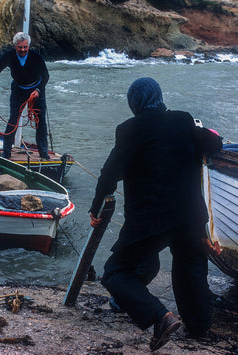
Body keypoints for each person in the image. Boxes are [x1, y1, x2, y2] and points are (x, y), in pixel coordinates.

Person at [89, 77, 222, 351]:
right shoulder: (183, 120)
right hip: (190, 216)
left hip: (151, 220)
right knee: (191, 269)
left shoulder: (129, 129)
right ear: (160, 97)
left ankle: (160, 316)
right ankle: (200, 330)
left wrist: (96, 208)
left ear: (133, 103)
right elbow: (214, 145)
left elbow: (109, 173)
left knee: (115, 272)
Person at [0, 32, 50, 160]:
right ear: (15, 46)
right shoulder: (9, 56)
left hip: (36, 90)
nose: (23, 50)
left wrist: (38, 91)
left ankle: (43, 153)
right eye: (20, 47)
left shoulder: (37, 58)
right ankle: (6, 152)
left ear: (28, 46)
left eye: (25, 47)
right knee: (13, 120)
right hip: (18, 90)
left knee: (41, 122)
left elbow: (46, 76)